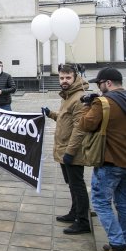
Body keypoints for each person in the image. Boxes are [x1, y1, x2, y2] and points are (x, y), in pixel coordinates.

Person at [79, 67, 126, 251]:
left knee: (100, 202)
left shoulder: (104, 102)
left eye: (99, 84)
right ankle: (125, 243)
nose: (98, 88)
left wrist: (88, 105)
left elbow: (85, 124)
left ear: (107, 83)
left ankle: (118, 246)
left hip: (111, 159)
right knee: (124, 203)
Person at [43, 64, 90, 234]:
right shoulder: (67, 96)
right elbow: (65, 119)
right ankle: (74, 213)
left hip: (72, 151)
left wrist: (70, 152)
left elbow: (80, 128)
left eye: (68, 78)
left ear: (75, 77)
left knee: (77, 185)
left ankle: (83, 221)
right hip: (64, 149)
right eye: (62, 78)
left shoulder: (79, 98)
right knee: (71, 184)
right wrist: (50, 114)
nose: (64, 81)